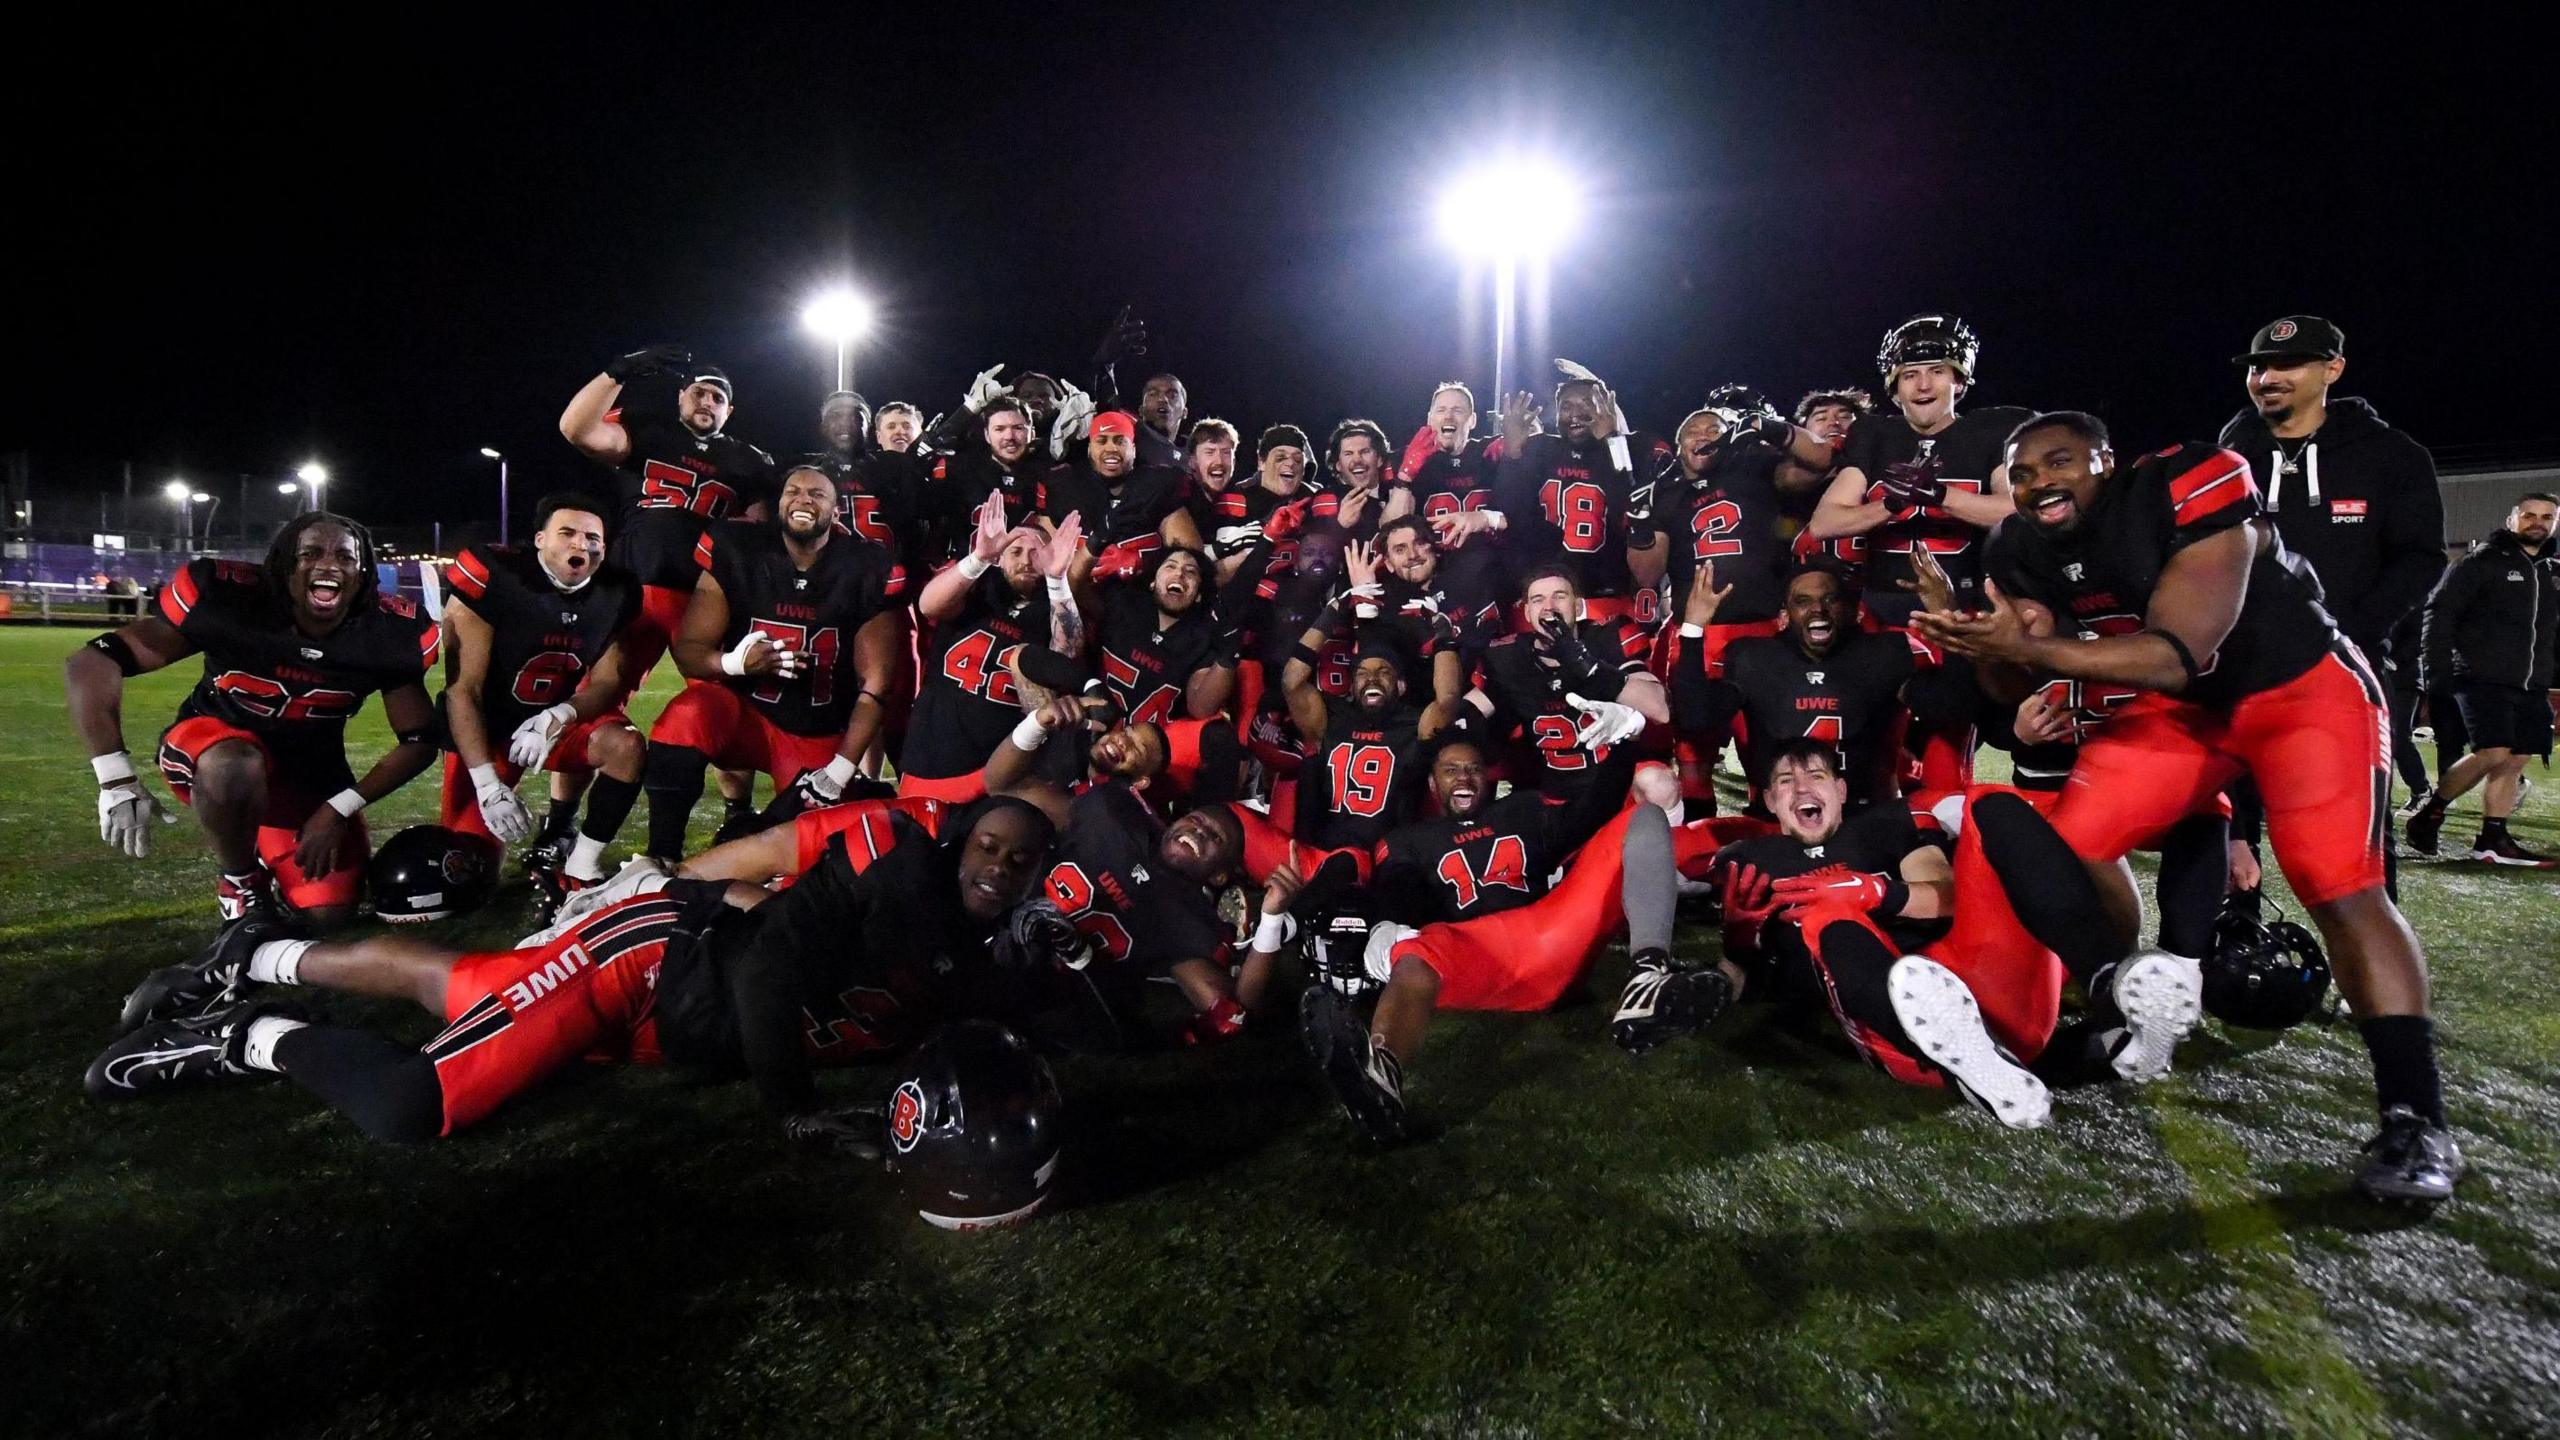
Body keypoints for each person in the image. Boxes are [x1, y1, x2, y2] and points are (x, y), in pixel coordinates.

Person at [1914, 411, 2459, 1202]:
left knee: (2339, 886)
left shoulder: (2187, 480)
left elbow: (2181, 649)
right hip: (2185, 714)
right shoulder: (2019, 550)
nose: (2039, 483)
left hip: (2300, 691)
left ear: (2107, 460)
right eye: (2022, 474)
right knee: (2069, 844)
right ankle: (2124, 1005)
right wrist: (1982, 642)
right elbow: (2017, 684)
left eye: (2059, 462)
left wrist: (2028, 649)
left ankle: (2417, 1118)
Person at [88, 799, 1064, 1145]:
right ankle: (238, 1036)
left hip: (672, 1004)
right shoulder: (892, 855)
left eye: (1019, 864)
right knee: (411, 1108)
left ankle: (249, 954)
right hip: (644, 966)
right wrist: (791, 1108)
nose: (997, 869)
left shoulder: (974, 957)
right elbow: (769, 947)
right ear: (959, 838)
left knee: (462, 986)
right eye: (988, 847)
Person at [68, 514, 440, 929]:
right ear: (284, 566)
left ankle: (268, 849)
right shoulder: (230, 600)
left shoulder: (390, 633)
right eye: (311, 553)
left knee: (329, 915)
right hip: (210, 748)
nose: (329, 565)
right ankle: (239, 881)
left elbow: (419, 740)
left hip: (308, 776)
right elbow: (92, 661)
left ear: (363, 570)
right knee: (234, 765)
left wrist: (338, 808)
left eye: (345, 557)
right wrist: (115, 777)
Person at [636, 462, 905, 863]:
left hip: (813, 731)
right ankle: (661, 857)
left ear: (836, 510)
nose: (803, 500)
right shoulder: (738, 547)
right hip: (743, 715)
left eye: (817, 494)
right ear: (778, 502)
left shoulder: (867, 566)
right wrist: (733, 664)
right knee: (687, 715)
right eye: (793, 491)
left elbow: (875, 685)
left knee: (810, 855)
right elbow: (691, 650)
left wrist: (842, 768)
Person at [433, 497, 644, 886]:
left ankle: (582, 866)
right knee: (466, 868)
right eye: (567, 533)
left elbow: (607, 682)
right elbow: (463, 691)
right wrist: (487, 785)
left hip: (550, 724)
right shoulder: (497, 576)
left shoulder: (617, 591)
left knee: (625, 745)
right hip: (487, 728)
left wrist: (557, 716)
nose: (581, 544)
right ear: (540, 539)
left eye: (592, 537)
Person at [557, 346, 777, 685]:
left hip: (698, 594)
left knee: (717, 692)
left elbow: (757, 528)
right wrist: (620, 371)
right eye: (699, 393)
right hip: (631, 581)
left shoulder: (748, 460)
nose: (707, 402)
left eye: (717, 398)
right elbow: (575, 428)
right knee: (598, 689)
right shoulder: (649, 430)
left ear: (729, 411)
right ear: (680, 397)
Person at [1672, 562, 1968, 809]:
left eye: (1830, 599)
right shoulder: (1755, 658)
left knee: (1946, 821)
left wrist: (1949, 618)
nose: (1818, 610)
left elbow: (1953, 707)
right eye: (1803, 601)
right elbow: (1696, 716)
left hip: (1868, 817)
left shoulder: (1884, 653)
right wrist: (1693, 629)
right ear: (1784, 616)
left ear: (1853, 611)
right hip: (1779, 823)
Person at [1806, 316, 2029, 626]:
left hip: (1970, 603)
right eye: (1910, 375)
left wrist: (1940, 496)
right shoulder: (1874, 435)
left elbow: (2019, 511)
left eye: (1937, 371)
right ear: (1895, 389)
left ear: (1959, 381)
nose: (1923, 385)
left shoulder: (1990, 432)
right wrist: (1892, 504)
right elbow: (1824, 523)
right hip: (1884, 605)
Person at [898, 495, 1084, 802]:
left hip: (1002, 768)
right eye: (1016, 551)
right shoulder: (978, 591)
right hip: (931, 755)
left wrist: (1057, 578)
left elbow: (1067, 653)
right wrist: (980, 557)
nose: (1026, 560)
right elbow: (928, 605)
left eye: (1037, 553)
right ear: (1001, 558)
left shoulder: (1054, 607)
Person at [2406, 493, 2558, 864]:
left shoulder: (2552, 571)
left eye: (2546, 517)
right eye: (2528, 515)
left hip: (2531, 682)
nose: (2536, 522)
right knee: (2493, 751)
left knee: (2517, 758)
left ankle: (2492, 839)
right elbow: (2439, 613)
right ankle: (2431, 812)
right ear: (2512, 519)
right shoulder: (2481, 561)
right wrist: (2436, 672)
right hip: (2479, 676)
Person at [1457, 563, 1666, 803]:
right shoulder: (1508, 657)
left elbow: (1658, 708)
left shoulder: (1609, 636)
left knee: (1658, 784)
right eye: (1538, 599)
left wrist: (1586, 665)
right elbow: (1465, 716)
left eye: (1559, 596)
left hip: (1616, 781)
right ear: (1527, 613)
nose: (1549, 607)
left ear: (1577, 607)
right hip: (1552, 793)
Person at [1488, 366, 1673, 621]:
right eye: (1566, 406)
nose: (1575, 414)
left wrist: (1612, 441)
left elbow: (1632, 511)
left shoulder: (1635, 447)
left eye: (1587, 403)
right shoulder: (1541, 448)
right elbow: (1510, 510)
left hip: (1609, 597)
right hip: (1547, 594)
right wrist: (1513, 454)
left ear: (1606, 407)